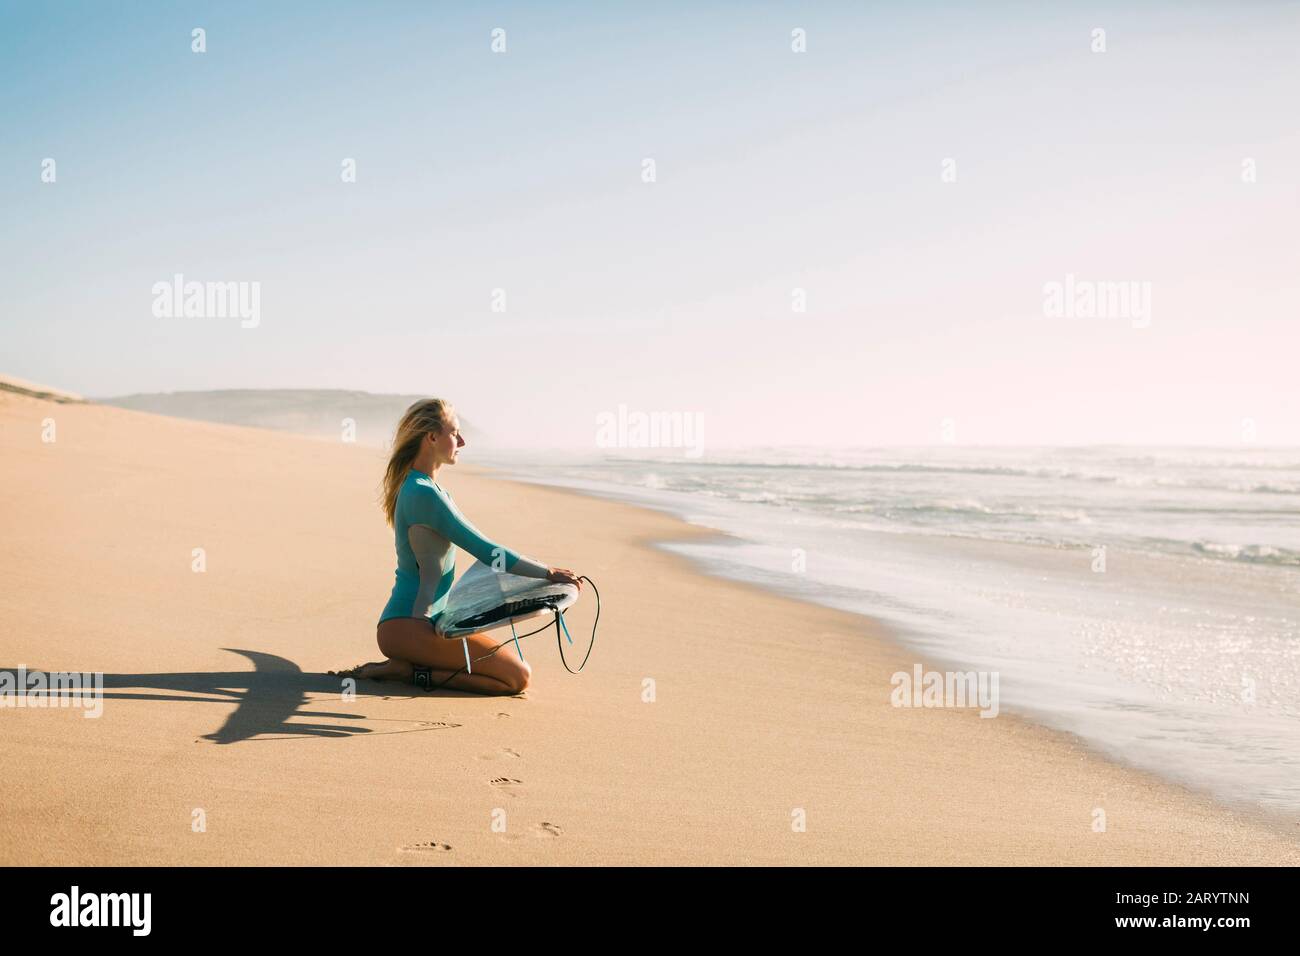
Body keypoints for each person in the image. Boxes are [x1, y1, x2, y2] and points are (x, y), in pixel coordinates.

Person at [336, 398, 582, 694]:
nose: (462, 441)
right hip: (410, 627)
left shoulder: (425, 488)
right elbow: (488, 552)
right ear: (431, 437)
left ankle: (406, 666)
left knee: (513, 675)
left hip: (429, 623)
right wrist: (548, 573)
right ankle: (410, 673)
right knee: (517, 678)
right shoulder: (423, 494)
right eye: (455, 433)